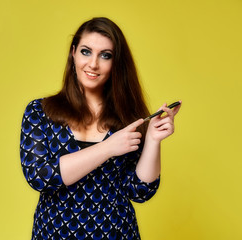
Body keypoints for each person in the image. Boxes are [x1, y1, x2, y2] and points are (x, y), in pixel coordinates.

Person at [20, 17, 181, 240]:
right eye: (86, 51)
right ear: (73, 53)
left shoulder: (128, 118)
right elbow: (40, 176)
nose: (93, 64)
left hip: (117, 233)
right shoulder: (40, 111)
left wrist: (153, 140)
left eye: (105, 55)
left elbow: (140, 191)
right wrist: (107, 148)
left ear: (116, 63)